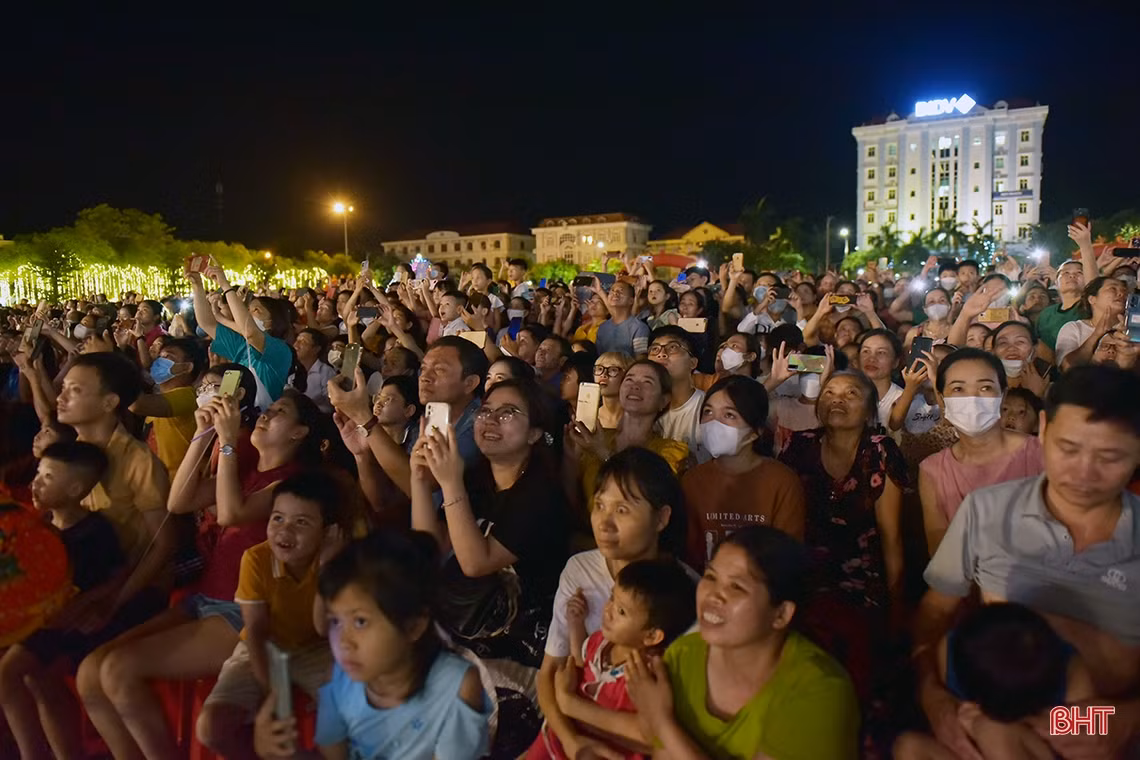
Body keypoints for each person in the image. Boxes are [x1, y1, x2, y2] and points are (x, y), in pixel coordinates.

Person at [913, 365, 1140, 760]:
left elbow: (1105, 725)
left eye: (1110, 456)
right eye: (1068, 448)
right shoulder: (987, 510)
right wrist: (933, 696)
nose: (1083, 473)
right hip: (997, 720)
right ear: (1045, 428)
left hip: (1100, 729)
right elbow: (934, 615)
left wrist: (1128, 719)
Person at [81, 390, 322, 759]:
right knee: (91, 672)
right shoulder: (245, 469)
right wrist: (203, 433)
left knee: (117, 670)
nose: (265, 414)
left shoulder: (293, 483)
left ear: (299, 433)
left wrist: (227, 443)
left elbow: (230, 513)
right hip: (204, 598)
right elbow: (178, 503)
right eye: (269, 408)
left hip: (239, 610)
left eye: (279, 412)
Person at [251, 529, 491, 760]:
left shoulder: (456, 687)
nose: (343, 642)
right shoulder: (337, 681)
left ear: (413, 627)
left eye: (360, 621)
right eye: (335, 621)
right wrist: (286, 754)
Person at [626, 525, 860, 759]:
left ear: (781, 614)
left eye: (736, 586)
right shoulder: (683, 654)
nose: (713, 595)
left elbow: (664, 735)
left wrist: (663, 724)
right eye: (710, 577)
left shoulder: (819, 689)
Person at [537, 448, 690, 760]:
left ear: (661, 518)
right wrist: (571, 742)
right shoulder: (579, 569)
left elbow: (664, 731)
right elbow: (550, 672)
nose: (604, 524)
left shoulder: (682, 595)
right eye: (600, 505)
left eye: (622, 510)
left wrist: (573, 708)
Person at [411, 377, 570, 669]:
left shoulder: (541, 496)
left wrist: (449, 483)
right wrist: (420, 480)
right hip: (462, 619)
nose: (491, 420)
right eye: (485, 411)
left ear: (535, 433)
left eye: (508, 412)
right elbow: (428, 548)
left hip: (515, 640)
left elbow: (476, 563)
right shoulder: (476, 479)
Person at [779, 371, 907, 712]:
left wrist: (897, 607)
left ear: (868, 410)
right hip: (807, 577)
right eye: (830, 392)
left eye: (851, 393)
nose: (838, 398)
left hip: (864, 581)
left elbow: (891, 536)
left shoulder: (881, 451)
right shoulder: (798, 444)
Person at [196, 471, 345, 757]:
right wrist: (272, 693)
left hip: (320, 649)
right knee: (211, 726)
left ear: (327, 532)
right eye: (277, 518)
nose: (284, 532)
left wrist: (327, 569)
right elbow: (256, 632)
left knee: (344, 722)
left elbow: (324, 628)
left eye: (301, 522)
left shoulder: (340, 561)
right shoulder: (256, 559)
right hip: (263, 648)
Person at [0, 442, 126, 760]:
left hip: (69, 624)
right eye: (38, 474)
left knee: (9, 676)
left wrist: (88, 604)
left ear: (74, 488)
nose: (35, 482)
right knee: (40, 682)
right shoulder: (38, 528)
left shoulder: (94, 530)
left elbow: (116, 578)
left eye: (47, 476)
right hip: (41, 623)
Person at [529, 559, 697, 760]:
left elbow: (648, 735)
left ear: (652, 636)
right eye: (611, 598)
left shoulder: (645, 676)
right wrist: (576, 625)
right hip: (564, 735)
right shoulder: (602, 641)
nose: (608, 610)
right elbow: (583, 663)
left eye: (621, 611)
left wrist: (569, 701)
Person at [894, 602, 1096, 760]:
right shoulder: (955, 650)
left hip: (1029, 748)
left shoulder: (1073, 673)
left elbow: (1097, 726)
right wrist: (954, 711)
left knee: (991, 731)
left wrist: (1030, 721)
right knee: (908, 747)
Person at [918, 348, 1044, 556]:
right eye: (958, 389)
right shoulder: (932, 470)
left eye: (985, 388)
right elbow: (941, 556)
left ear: (1003, 395)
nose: (973, 399)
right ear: (942, 398)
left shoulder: (1040, 453)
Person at [681, 376, 806, 572]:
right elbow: (688, 555)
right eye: (708, 412)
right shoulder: (692, 480)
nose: (714, 423)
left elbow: (787, 557)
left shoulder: (782, 482)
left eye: (729, 415)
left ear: (755, 431)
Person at [566, 361, 690, 524]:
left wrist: (603, 453)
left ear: (664, 400)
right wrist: (571, 456)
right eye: (629, 380)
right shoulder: (597, 437)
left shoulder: (669, 451)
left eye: (647, 382)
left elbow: (642, 494)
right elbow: (569, 501)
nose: (635, 386)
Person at [190, 266, 294, 410]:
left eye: (256, 310)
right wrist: (197, 286)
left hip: (258, 421)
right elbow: (207, 323)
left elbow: (249, 331)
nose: (248, 315)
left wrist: (225, 285)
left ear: (272, 322)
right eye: (247, 310)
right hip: (231, 418)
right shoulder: (241, 345)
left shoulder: (280, 349)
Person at [127, 336, 204, 476]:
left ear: (187, 367)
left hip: (177, 486)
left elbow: (136, 404)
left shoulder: (188, 396)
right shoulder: (158, 399)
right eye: (159, 357)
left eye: (168, 357)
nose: (159, 362)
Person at [648, 327, 704, 455]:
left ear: (693, 363)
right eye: (654, 349)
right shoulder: (641, 407)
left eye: (673, 347)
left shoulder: (706, 407)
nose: (661, 354)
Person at [1056, 276, 1129, 371]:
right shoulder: (1074, 329)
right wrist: (1096, 334)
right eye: (1112, 288)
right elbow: (1067, 368)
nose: (1121, 294)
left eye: (1124, 291)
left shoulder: (1130, 332)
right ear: (1092, 299)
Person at [1035, 258, 1087, 362]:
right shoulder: (1045, 314)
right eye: (1066, 273)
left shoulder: (1090, 308)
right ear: (1056, 282)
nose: (1072, 276)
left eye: (1079, 272)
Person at [856, 328, 905, 428]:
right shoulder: (845, 394)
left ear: (896, 362)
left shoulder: (903, 399)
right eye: (866, 351)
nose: (871, 358)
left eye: (881, 352)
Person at [596, 282, 649, 358]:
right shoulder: (602, 328)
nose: (615, 293)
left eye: (620, 291)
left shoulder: (639, 328)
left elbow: (641, 360)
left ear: (631, 301)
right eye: (612, 290)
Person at [291, 327, 337, 413]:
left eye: (303, 342)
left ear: (316, 349)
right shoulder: (290, 369)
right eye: (297, 340)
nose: (296, 345)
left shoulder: (326, 372)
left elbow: (330, 405)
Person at [593, 352, 632, 430]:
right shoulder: (590, 416)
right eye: (599, 369)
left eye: (613, 370)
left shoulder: (637, 418)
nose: (603, 374)